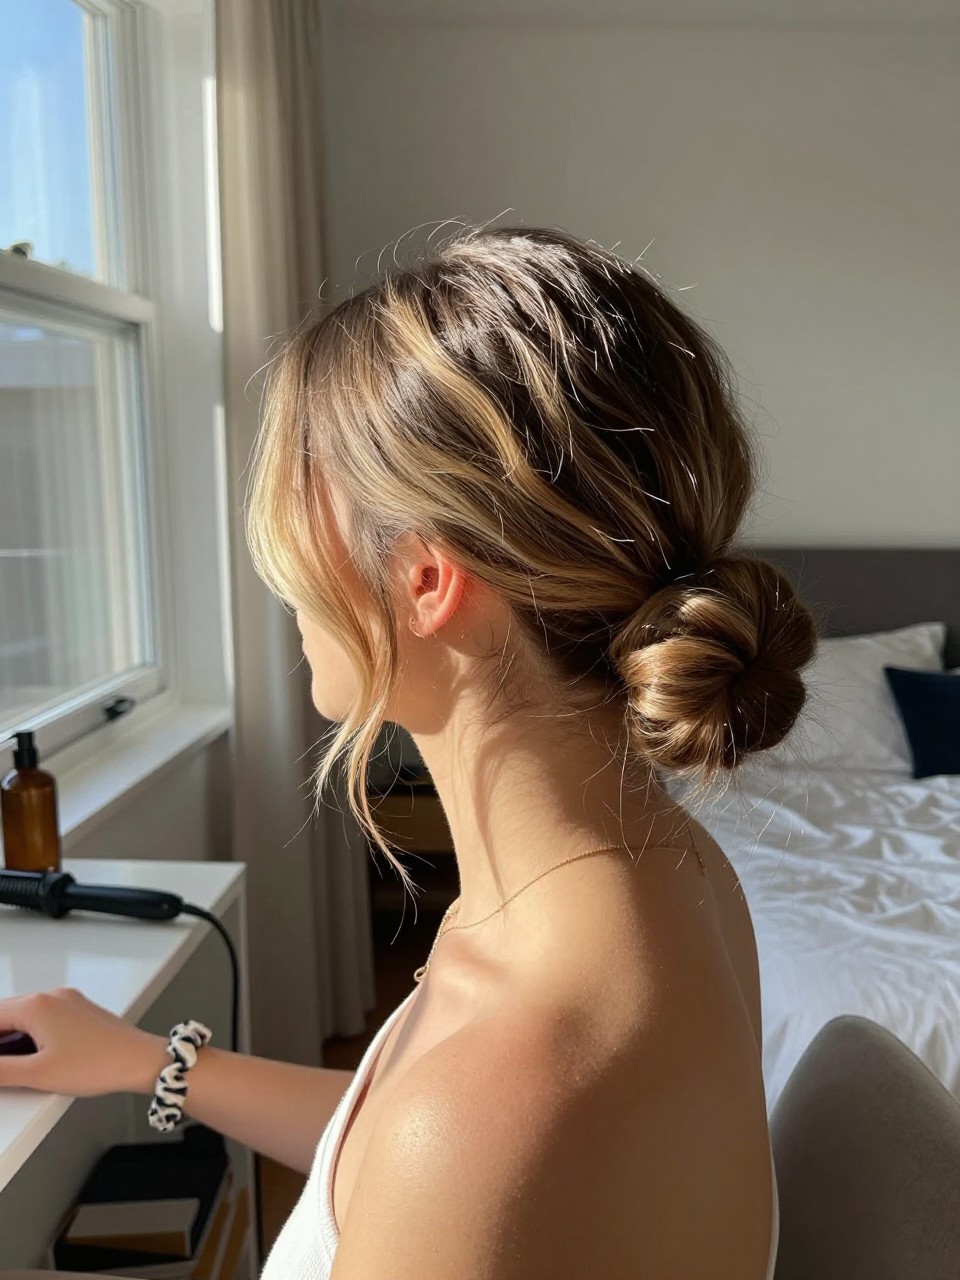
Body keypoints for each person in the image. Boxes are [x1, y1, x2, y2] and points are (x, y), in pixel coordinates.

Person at [0, 225, 817, 1278]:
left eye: (306, 505)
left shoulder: (514, 1067)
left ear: (428, 581)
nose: (285, 567)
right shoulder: (661, 874)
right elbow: (417, 1154)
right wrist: (155, 1064)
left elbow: (458, 1149)